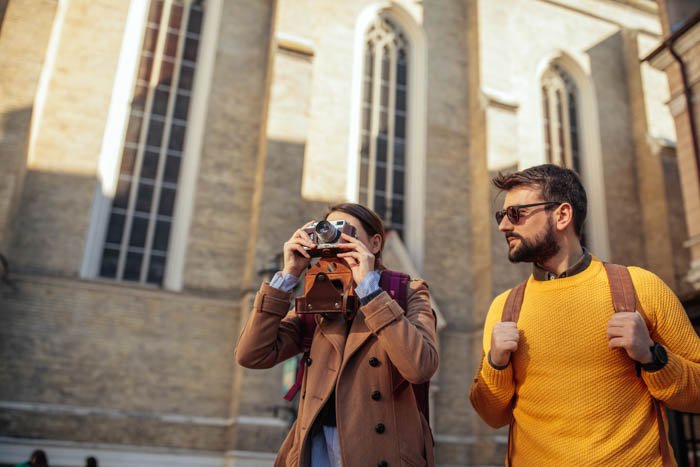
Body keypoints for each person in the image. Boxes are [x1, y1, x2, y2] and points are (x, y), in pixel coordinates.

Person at [469, 164, 700, 465]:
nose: (503, 226)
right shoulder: (504, 308)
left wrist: (652, 357)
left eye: (516, 214)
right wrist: (496, 363)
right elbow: (491, 415)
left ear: (562, 215)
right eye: (502, 215)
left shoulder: (640, 287)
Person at [236, 203, 439, 467]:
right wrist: (288, 277)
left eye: (345, 232)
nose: (335, 241)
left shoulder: (408, 292)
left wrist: (370, 290)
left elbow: (420, 366)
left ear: (375, 243)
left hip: (382, 454)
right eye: (327, 232)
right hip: (316, 449)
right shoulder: (317, 299)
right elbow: (251, 354)